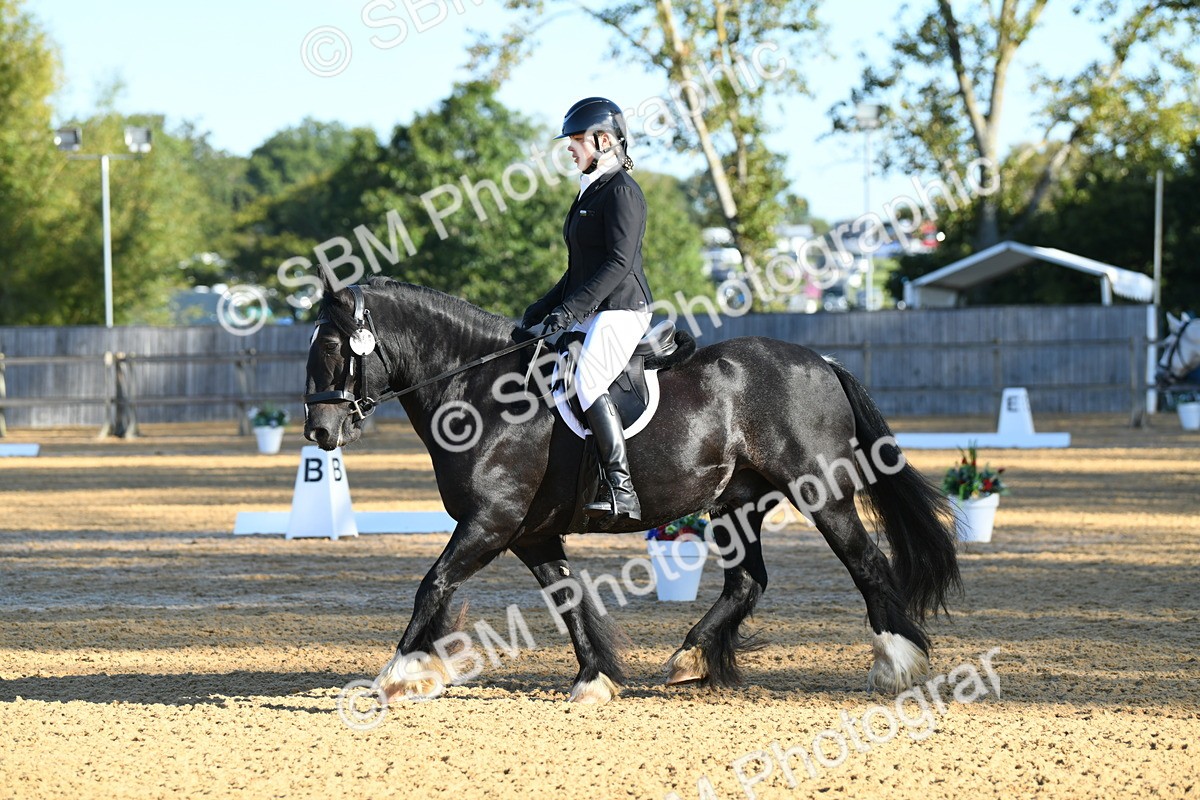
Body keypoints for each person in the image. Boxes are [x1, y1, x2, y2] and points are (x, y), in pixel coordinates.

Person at [521, 97, 653, 521]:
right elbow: (579, 270)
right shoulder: (589, 193)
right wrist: (545, 306)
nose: (570, 148)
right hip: (597, 308)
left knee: (589, 380)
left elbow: (618, 263)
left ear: (603, 140)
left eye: (577, 140)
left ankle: (622, 488)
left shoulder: (622, 193)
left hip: (622, 309)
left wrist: (572, 311)